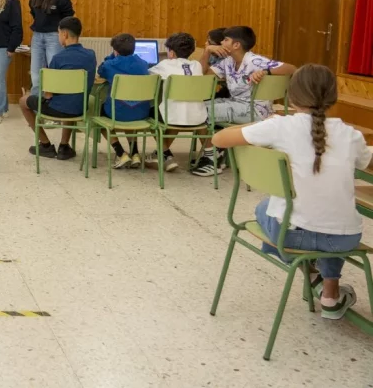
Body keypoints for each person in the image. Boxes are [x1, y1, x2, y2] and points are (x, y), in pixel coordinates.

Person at [213, 64, 370, 321]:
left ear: (291, 96)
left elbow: (219, 140)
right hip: (344, 240)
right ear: (333, 97)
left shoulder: (279, 127)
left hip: (290, 237)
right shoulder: (351, 135)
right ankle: (329, 293)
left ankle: (310, 275)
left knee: (266, 209)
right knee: (333, 217)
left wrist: (262, 124)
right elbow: (365, 161)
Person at [194, 25, 297, 177]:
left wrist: (265, 71)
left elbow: (292, 69)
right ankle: (216, 153)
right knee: (196, 107)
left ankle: (212, 159)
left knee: (201, 112)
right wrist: (207, 52)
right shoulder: (228, 61)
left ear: (236, 45)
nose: (221, 42)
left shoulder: (255, 61)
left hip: (255, 110)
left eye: (226, 40)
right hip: (236, 105)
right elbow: (202, 75)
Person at [19, 17, 95, 160]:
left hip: (60, 110)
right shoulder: (91, 55)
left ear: (64, 34)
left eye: (58, 33)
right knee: (72, 98)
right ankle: (64, 146)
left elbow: (48, 95)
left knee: (23, 101)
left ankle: (45, 145)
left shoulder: (58, 58)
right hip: (80, 107)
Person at [146, 32, 207, 173]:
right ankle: (160, 154)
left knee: (149, 115)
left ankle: (165, 154)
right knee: (178, 112)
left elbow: (146, 75)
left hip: (172, 117)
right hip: (198, 118)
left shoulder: (165, 64)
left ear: (171, 53)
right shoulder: (197, 65)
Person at [98, 33, 151, 169]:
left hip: (118, 113)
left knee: (99, 117)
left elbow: (101, 70)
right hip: (141, 113)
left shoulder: (110, 65)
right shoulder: (143, 64)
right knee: (131, 107)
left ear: (115, 50)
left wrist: (111, 57)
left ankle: (121, 153)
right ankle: (135, 153)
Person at [28, 0, 75, 99]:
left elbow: (69, 15)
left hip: (54, 36)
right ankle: (36, 108)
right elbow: (34, 13)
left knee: (53, 72)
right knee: (36, 73)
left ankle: (54, 105)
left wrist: (63, 35)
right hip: (37, 36)